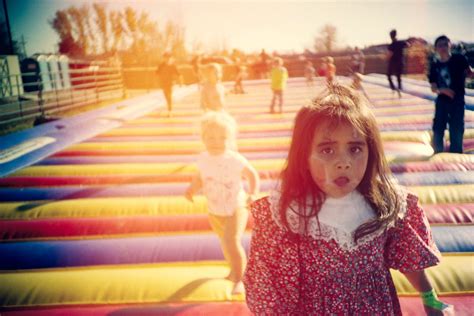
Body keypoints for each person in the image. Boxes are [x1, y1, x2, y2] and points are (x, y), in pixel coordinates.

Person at [243, 83, 453, 314]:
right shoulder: (288, 214)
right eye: (327, 150)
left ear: (370, 151)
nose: (344, 163)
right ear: (304, 156)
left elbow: (408, 258)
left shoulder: (386, 203)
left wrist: (429, 297)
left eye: (355, 149)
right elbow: (266, 285)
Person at [185, 111, 260, 295]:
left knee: (231, 241)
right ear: (203, 138)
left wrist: (253, 193)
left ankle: (242, 279)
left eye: (222, 138)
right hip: (215, 210)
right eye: (211, 137)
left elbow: (252, 174)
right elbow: (199, 177)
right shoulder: (203, 158)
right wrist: (192, 189)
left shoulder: (233, 158)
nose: (216, 142)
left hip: (236, 206)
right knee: (225, 244)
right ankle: (233, 271)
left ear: (230, 139)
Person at [428, 35, 474, 154]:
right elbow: (433, 87)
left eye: (445, 44)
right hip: (442, 101)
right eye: (439, 45)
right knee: (438, 128)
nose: (443, 47)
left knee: (457, 128)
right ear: (436, 48)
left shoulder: (459, 59)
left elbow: (470, 73)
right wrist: (442, 90)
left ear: (450, 45)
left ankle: (456, 153)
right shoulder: (435, 65)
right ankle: (437, 153)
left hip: (457, 101)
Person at [156, 52, 181, 117]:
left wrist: (180, 82)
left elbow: (178, 74)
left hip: (170, 83)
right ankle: (169, 107)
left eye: (168, 57)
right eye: (165, 57)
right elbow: (157, 74)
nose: (167, 59)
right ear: (163, 58)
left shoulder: (172, 65)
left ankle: (170, 111)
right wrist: (158, 82)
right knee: (166, 97)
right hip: (163, 83)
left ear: (170, 58)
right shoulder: (161, 65)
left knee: (169, 96)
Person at [387, 29, 410, 96]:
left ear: (390, 36)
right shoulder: (401, 42)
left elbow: (389, 54)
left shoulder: (391, 45)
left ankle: (393, 87)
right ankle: (399, 88)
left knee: (389, 75)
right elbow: (408, 45)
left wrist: (386, 58)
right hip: (400, 62)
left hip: (392, 63)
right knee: (398, 76)